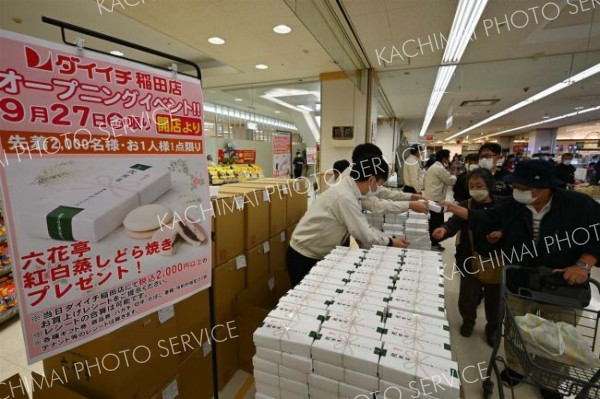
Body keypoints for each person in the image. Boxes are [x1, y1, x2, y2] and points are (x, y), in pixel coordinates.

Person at [441, 160, 600, 399]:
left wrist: (583, 264)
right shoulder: (513, 205)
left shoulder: (578, 205)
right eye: (514, 185)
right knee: (515, 329)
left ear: (544, 187)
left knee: (558, 335)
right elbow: (486, 219)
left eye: (521, 187)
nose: (517, 191)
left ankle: (551, 380)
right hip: (519, 279)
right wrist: (455, 209)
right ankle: (515, 369)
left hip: (562, 284)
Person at [287, 152, 409, 286]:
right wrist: (392, 242)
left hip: (317, 251)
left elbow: (357, 224)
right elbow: (365, 232)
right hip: (304, 256)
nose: (376, 189)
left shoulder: (351, 188)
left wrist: (387, 238)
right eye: (378, 185)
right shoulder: (345, 196)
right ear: (371, 180)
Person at [433, 168, 503, 346]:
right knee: (468, 296)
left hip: (496, 260)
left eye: (479, 185)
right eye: (472, 186)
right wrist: (444, 230)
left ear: (489, 186)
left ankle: (492, 329)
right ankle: (468, 322)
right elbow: (453, 222)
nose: (475, 189)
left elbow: (511, 225)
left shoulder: (502, 206)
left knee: (495, 299)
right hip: (469, 258)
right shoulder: (465, 206)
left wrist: (501, 232)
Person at [346, 143, 429, 215]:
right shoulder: (350, 186)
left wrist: (411, 197)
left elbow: (383, 192)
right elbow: (376, 205)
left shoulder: (361, 178)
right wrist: (409, 204)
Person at [424, 149, 456, 250]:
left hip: (431, 197)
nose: (449, 160)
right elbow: (450, 181)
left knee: (432, 221)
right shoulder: (439, 169)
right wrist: (454, 174)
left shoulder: (433, 167)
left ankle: (432, 242)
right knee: (436, 222)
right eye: (448, 158)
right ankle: (434, 243)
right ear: (444, 158)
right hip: (436, 200)